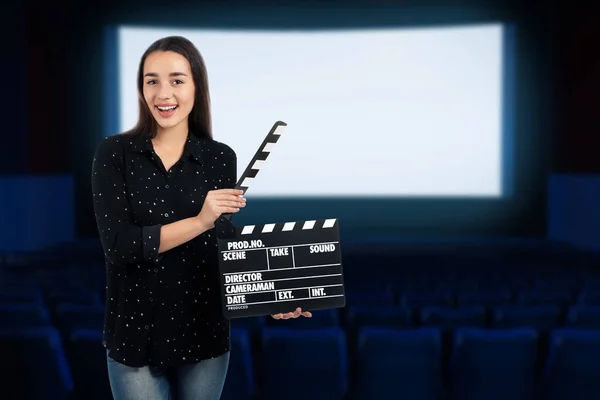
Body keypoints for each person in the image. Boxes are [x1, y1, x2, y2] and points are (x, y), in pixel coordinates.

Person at [91, 35, 311, 400]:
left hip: (204, 331)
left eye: (177, 80)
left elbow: (222, 243)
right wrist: (200, 220)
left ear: (197, 86)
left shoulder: (220, 157)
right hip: (135, 335)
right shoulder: (114, 152)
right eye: (152, 81)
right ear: (141, 88)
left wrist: (274, 294)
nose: (164, 93)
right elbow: (120, 246)